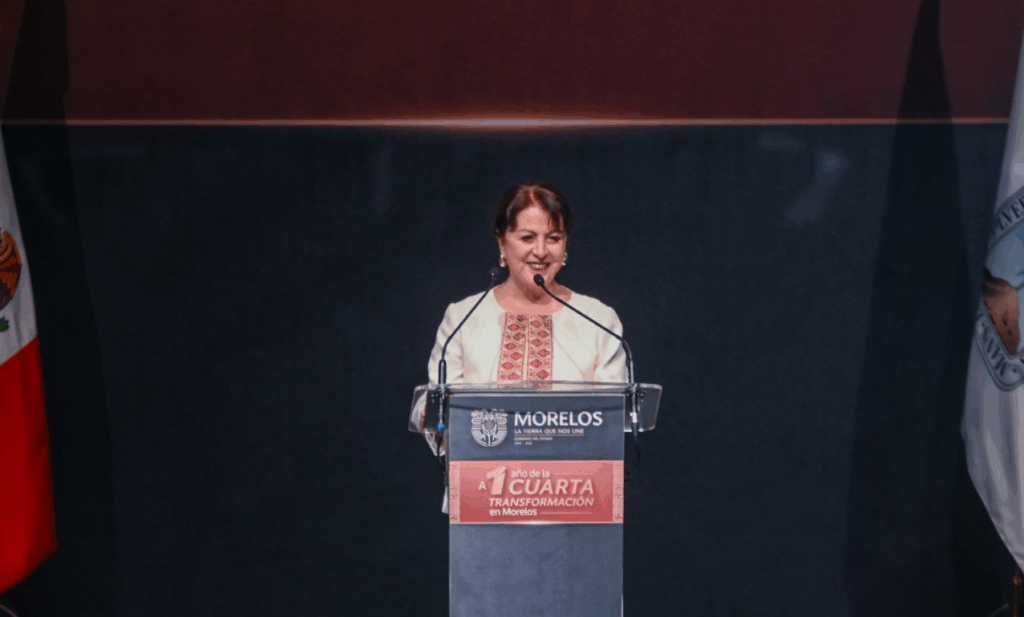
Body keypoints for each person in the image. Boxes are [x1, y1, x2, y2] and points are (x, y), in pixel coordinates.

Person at [415, 182, 628, 455]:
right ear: (502, 243)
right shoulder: (463, 317)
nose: (540, 251)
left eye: (553, 238)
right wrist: (430, 415)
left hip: (574, 478)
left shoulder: (599, 320)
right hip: (482, 477)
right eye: (527, 238)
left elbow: (611, 424)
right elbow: (441, 420)